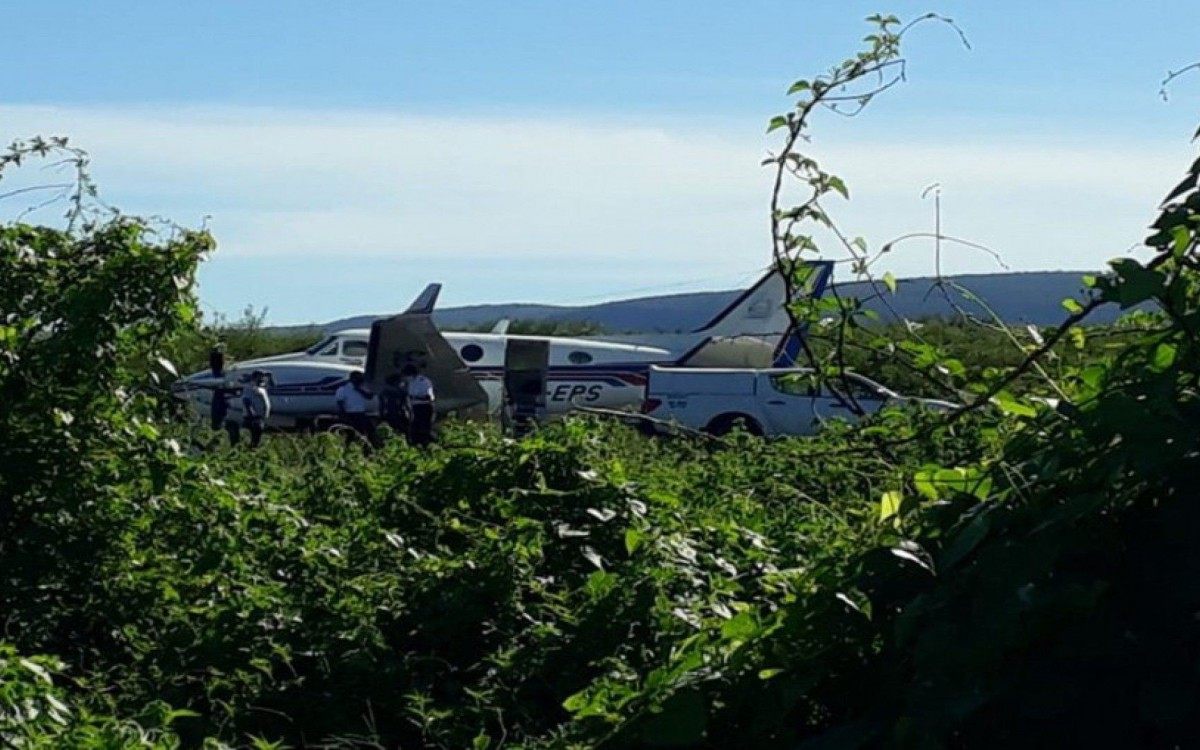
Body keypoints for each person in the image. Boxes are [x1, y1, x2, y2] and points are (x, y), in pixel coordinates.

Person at [335, 370, 380, 450]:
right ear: (352, 378)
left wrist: (359, 390)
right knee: (351, 434)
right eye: (358, 378)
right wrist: (344, 417)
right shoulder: (343, 389)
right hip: (350, 415)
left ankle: (371, 448)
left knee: (370, 432)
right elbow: (340, 404)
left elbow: (370, 396)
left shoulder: (362, 388)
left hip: (361, 414)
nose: (361, 379)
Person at [404, 364, 436, 447]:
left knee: (424, 429)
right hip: (414, 408)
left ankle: (427, 445)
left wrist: (415, 398)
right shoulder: (410, 383)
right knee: (414, 430)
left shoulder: (424, 381)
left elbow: (428, 397)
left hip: (424, 407)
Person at [240, 370, 271, 449]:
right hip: (253, 418)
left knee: (257, 438)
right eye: (260, 377)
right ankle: (251, 451)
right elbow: (246, 401)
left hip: (259, 418)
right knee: (254, 438)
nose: (262, 379)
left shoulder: (260, 387)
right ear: (255, 378)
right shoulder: (249, 388)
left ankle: (252, 450)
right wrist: (252, 415)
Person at [378, 373, 410, 439]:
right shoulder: (402, 392)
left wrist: (381, 416)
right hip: (400, 415)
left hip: (388, 415)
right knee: (402, 434)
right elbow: (407, 406)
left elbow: (381, 406)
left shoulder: (384, 392)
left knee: (388, 434)